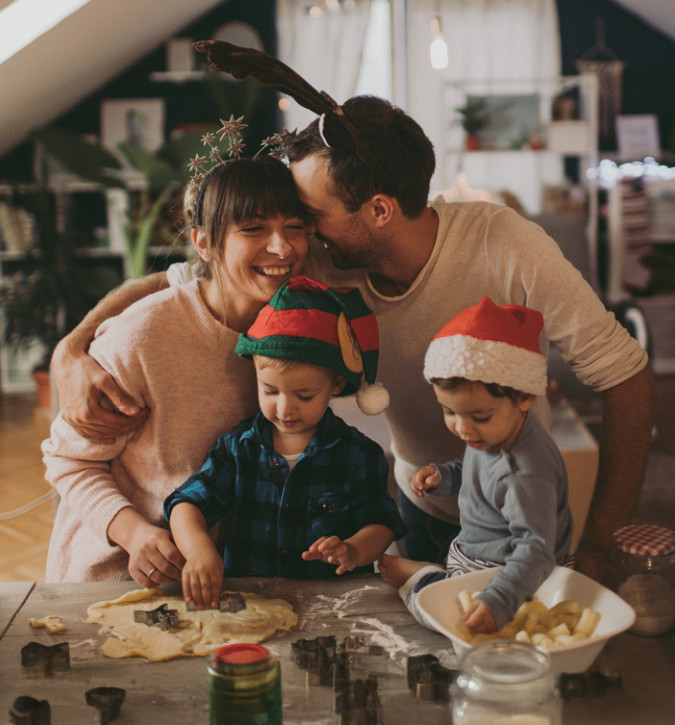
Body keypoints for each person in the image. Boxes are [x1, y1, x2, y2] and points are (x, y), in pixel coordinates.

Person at [50, 95, 654, 586]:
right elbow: (189, 278)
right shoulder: (321, 259)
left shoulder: (507, 246)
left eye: (307, 214)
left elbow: (624, 374)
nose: (293, 239)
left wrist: (600, 548)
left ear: (380, 211)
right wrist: (72, 348)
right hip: (422, 501)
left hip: (520, 511)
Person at [41, 156, 309, 583]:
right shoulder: (143, 334)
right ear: (204, 243)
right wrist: (134, 533)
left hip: (226, 579)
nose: (283, 247)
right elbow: (67, 460)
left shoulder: (298, 329)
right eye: (254, 228)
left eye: (294, 226)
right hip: (117, 578)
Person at [165, 275, 405, 609]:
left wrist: (352, 550)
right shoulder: (238, 449)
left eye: (304, 395)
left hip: (335, 606)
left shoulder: (357, 454)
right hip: (249, 605)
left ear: (336, 384)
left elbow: (380, 523)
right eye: (269, 391)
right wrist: (200, 552)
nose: (284, 408)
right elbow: (186, 505)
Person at [378, 297, 573, 634]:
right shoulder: (496, 434)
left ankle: (421, 576)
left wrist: (499, 599)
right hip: (475, 552)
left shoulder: (524, 473)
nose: (463, 429)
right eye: (450, 412)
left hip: (512, 573)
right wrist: (447, 475)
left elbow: (536, 552)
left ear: (526, 396)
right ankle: (440, 576)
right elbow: (479, 471)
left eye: (479, 416)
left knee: (442, 619)